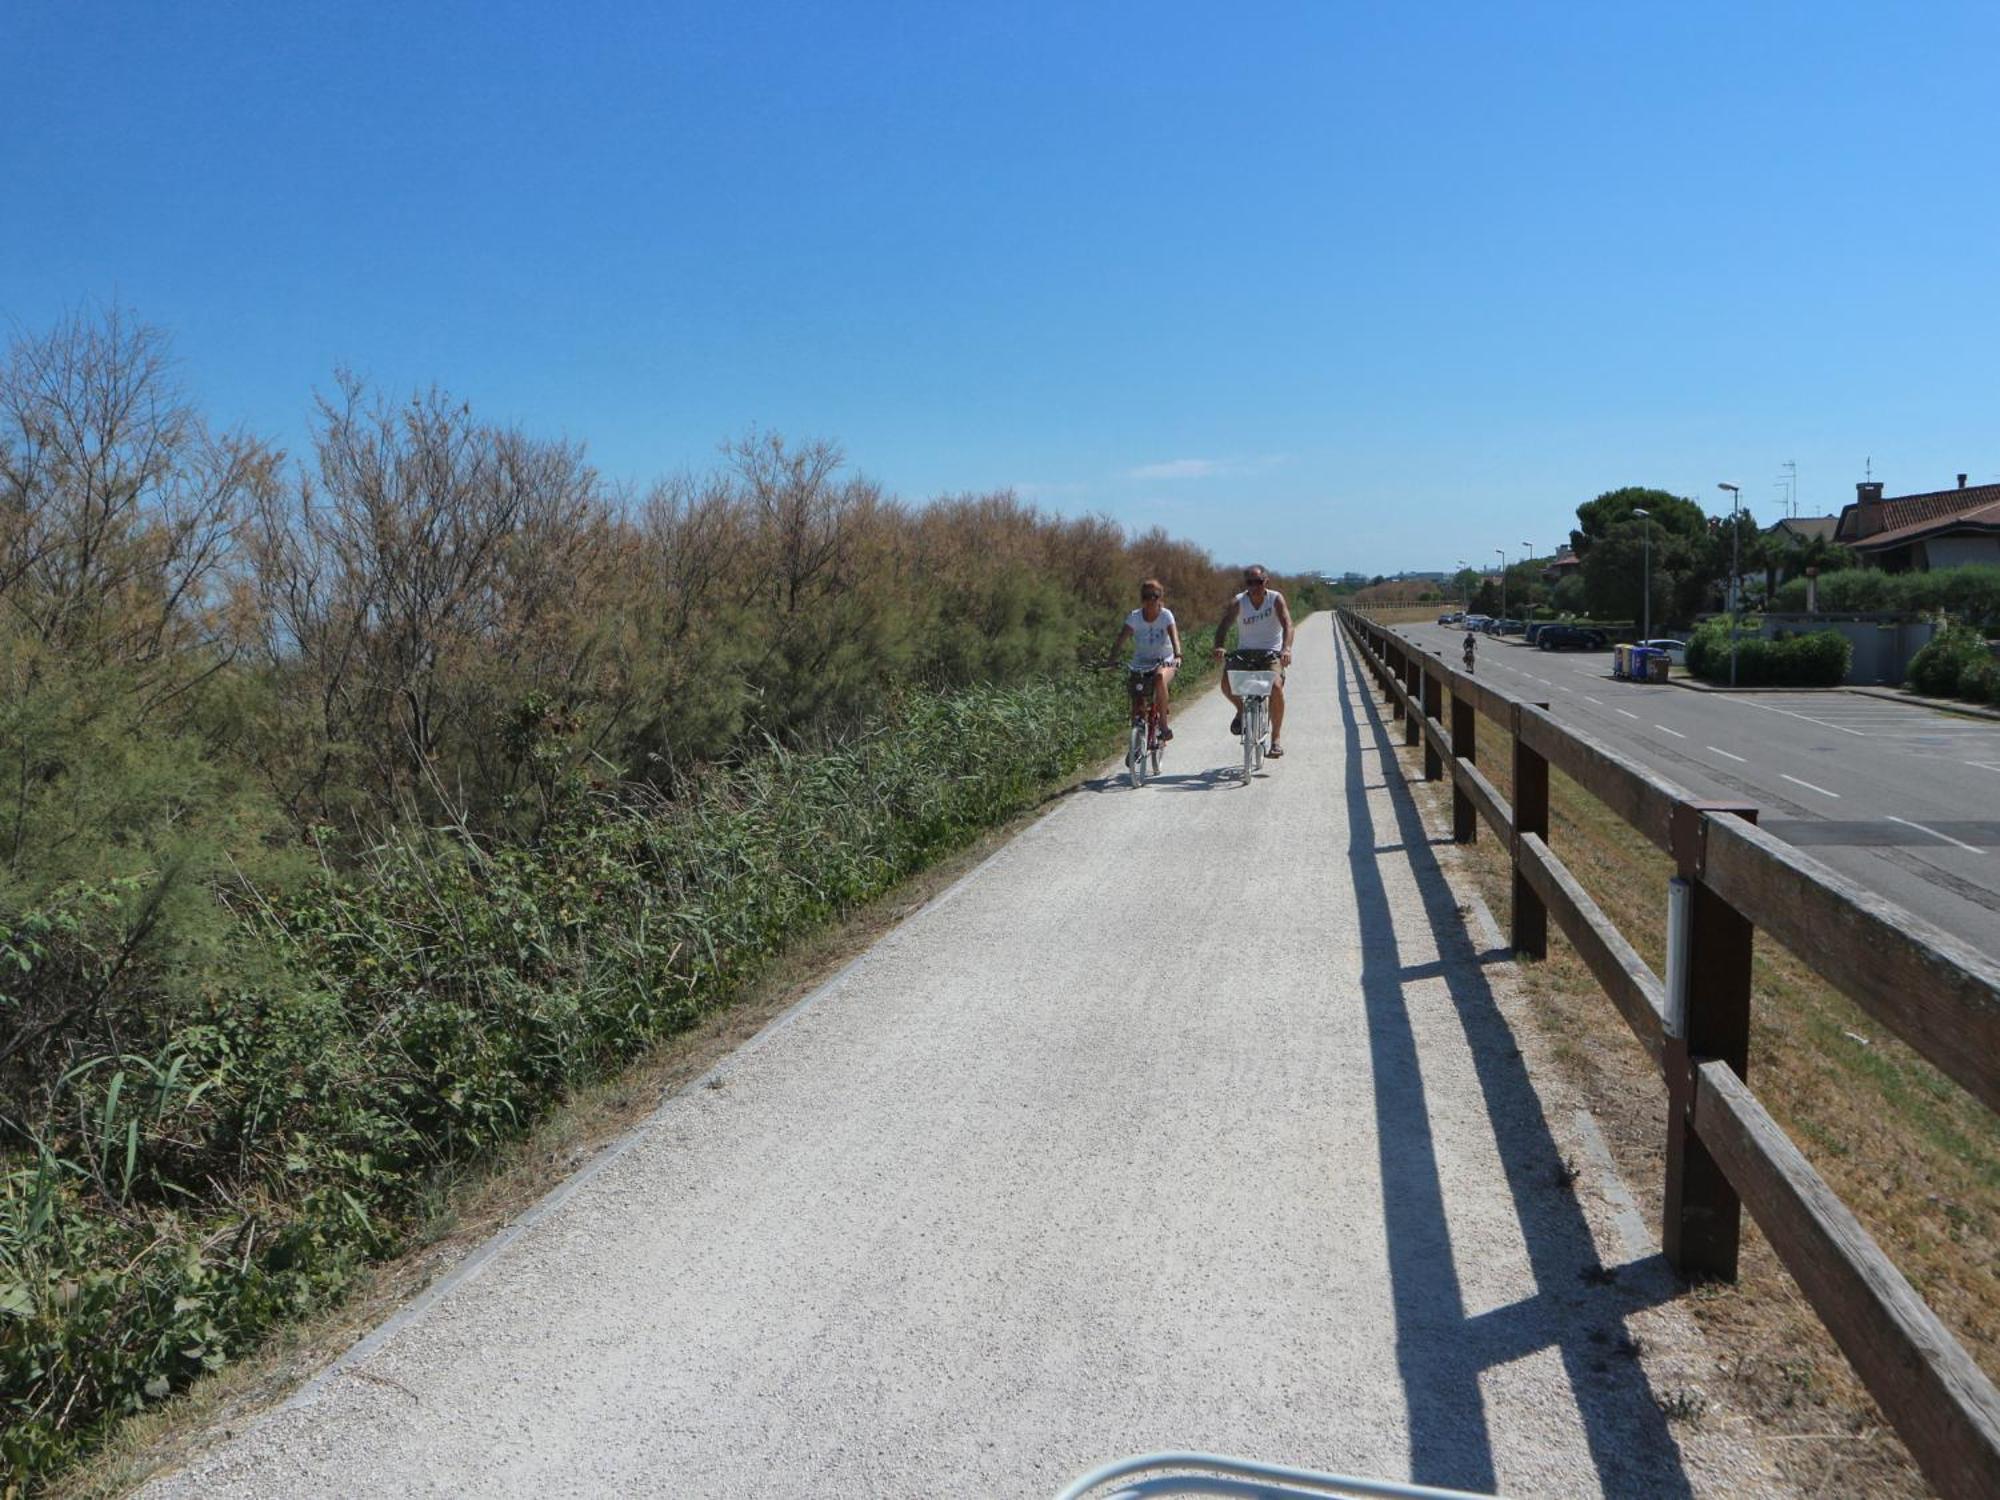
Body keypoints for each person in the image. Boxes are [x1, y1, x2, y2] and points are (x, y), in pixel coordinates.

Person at [1212, 565, 1295, 756]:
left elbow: (1287, 624)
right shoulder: (1239, 602)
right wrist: (1219, 646)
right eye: (1250, 582)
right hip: (1245, 652)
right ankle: (1241, 710)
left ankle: (1276, 739)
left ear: (1266, 581)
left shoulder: (1275, 599)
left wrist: (1286, 648)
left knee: (1275, 687)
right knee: (1226, 683)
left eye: (1258, 582)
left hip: (1271, 653)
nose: (1254, 586)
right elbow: (1223, 625)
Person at [1109, 579, 1183, 739]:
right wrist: (1112, 659)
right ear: (1142, 598)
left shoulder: (1166, 615)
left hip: (1165, 659)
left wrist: (1177, 655)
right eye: (1146, 596)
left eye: (1154, 596)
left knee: (1159, 678)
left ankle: (1163, 725)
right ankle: (1136, 740)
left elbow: (1174, 636)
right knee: (1137, 699)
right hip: (1141, 662)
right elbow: (1120, 639)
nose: (1150, 600)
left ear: (1160, 598)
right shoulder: (1135, 617)